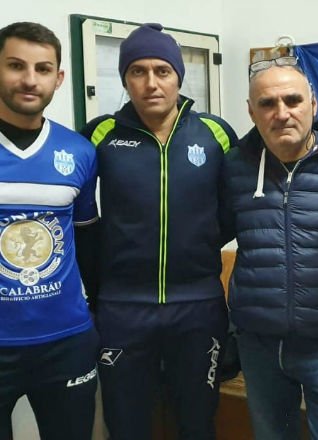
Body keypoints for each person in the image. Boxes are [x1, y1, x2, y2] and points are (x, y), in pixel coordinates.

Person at [79, 23, 237, 439]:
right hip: (122, 309)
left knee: (197, 423)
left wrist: (198, 241)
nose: (151, 83)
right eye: (138, 71)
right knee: (126, 425)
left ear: (178, 77)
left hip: (198, 306)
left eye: (162, 71)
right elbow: (81, 217)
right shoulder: (100, 134)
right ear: (125, 79)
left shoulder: (216, 133)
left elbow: (234, 210)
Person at [222, 57, 318, 440]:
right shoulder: (234, 167)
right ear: (251, 112)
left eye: (292, 100)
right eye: (267, 104)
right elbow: (206, 233)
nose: (282, 114)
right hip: (258, 344)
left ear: (312, 103)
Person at [0, 22, 99, 440]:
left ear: (58, 78)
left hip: (66, 342)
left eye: (42, 69)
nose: (29, 79)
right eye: (15, 65)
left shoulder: (79, 151)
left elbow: (87, 240)